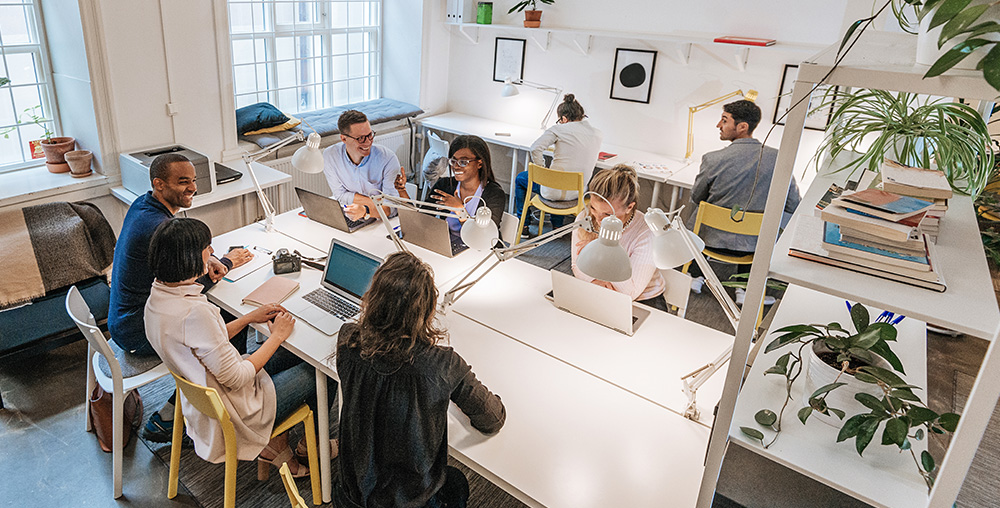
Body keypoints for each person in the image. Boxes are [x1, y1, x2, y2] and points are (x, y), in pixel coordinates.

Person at [144, 218, 338, 475]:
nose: (212, 253)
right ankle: (310, 447)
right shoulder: (193, 312)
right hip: (238, 411)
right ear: (189, 258)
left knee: (292, 355)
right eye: (207, 248)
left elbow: (203, 342)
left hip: (208, 398)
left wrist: (248, 318)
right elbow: (237, 378)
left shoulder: (158, 298)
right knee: (323, 367)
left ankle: (284, 444)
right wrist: (276, 336)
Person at [334, 251, 506, 508]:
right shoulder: (441, 364)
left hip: (350, 497)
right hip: (410, 502)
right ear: (427, 310)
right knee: (457, 482)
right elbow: (492, 420)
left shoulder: (348, 340)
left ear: (373, 298)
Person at [109, 153, 254, 442]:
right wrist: (226, 262)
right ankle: (193, 411)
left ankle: (196, 401)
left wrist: (206, 257)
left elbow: (177, 276)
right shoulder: (157, 228)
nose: (193, 188)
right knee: (221, 321)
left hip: (125, 317)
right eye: (183, 182)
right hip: (139, 330)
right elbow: (189, 286)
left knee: (214, 321)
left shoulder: (143, 204)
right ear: (159, 184)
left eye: (194, 180)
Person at [686, 99, 801, 305]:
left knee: (698, 214)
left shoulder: (713, 159)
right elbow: (793, 204)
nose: (718, 126)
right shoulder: (779, 159)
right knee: (756, 227)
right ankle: (744, 288)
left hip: (709, 242)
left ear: (742, 127)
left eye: (724, 120)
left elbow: (696, 197)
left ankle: (695, 275)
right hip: (752, 248)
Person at [571, 164, 666, 310]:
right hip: (597, 288)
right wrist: (595, 283)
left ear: (629, 207)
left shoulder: (646, 231)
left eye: (608, 214)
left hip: (642, 300)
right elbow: (577, 266)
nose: (598, 219)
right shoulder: (585, 217)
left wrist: (604, 256)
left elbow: (630, 292)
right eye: (593, 208)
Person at [514, 94, 603, 232]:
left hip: (554, 192)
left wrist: (542, 171)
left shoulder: (559, 129)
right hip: (579, 192)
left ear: (564, 118)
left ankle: (523, 225)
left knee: (521, 178)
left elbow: (535, 148)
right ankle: (557, 227)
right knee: (562, 177)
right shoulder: (597, 134)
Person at [323, 109, 410, 222]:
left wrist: (366, 210)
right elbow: (340, 196)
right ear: (344, 138)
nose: (368, 142)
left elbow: (390, 208)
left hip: (384, 222)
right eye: (360, 138)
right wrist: (375, 203)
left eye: (370, 135)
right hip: (353, 213)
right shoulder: (330, 155)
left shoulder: (387, 158)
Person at [428, 135, 505, 237]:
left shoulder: (494, 194)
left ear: (479, 163)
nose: (456, 167)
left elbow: (482, 238)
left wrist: (460, 211)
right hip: (450, 244)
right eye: (453, 161)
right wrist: (402, 192)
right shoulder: (444, 185)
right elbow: (422, 218)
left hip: (481, 249)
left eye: (463, 162)